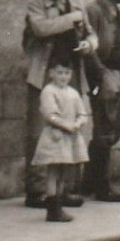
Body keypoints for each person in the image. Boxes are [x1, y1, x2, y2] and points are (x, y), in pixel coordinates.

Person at [22, 0, 94, 208]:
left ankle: (63, 191)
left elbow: (92, 35)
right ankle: (37, 191)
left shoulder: (75, 4)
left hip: (70, 73)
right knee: (39, 132)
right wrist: (71, 19)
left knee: (71, 129)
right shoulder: (37, 5)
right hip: (43, 74)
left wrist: (89, 45)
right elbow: (41, 28)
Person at [82, 0, 120, 203]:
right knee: (104, 127)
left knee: (113, 127)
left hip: (119, 72)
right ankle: (101, 185)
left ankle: (88, 182)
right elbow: (88, 46)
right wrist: (100, 73)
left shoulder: (115, 10)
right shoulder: (95, 10)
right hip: (104, 73)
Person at [34, 58, 90, 222]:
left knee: (64, 172)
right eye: (59, 72)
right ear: (51, 73)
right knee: (53, 171)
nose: (63, 77)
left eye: (67, 73)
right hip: (55, 136)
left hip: (70, 136)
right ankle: (52, 209)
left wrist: (78, 123)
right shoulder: (48, 91)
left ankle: (59, 204)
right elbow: (50, 114)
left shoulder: (73, 93)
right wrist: (67, 125)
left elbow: (82, 113)